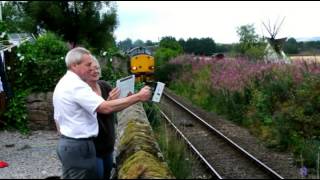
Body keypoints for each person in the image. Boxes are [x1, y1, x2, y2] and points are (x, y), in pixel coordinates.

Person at [53, 47, 151, 179]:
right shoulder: (76, 85)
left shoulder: (65, 82)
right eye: (88, 65)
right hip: (79, 146)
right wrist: (138, 97)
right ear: (74, 65)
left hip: (71, 144)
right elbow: (105, 108)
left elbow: (57, 119)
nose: (92, 68)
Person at [86, 57, 119, 179]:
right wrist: (109, 102)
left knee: (107, 173)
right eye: (91, 69)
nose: (95, 71)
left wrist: (126, 97)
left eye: (97, 68)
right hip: (94, 146)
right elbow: (100, 111)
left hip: (108, 143)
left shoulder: (104, 85)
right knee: (98, 176)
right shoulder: (83, 92)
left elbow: (116, 106)